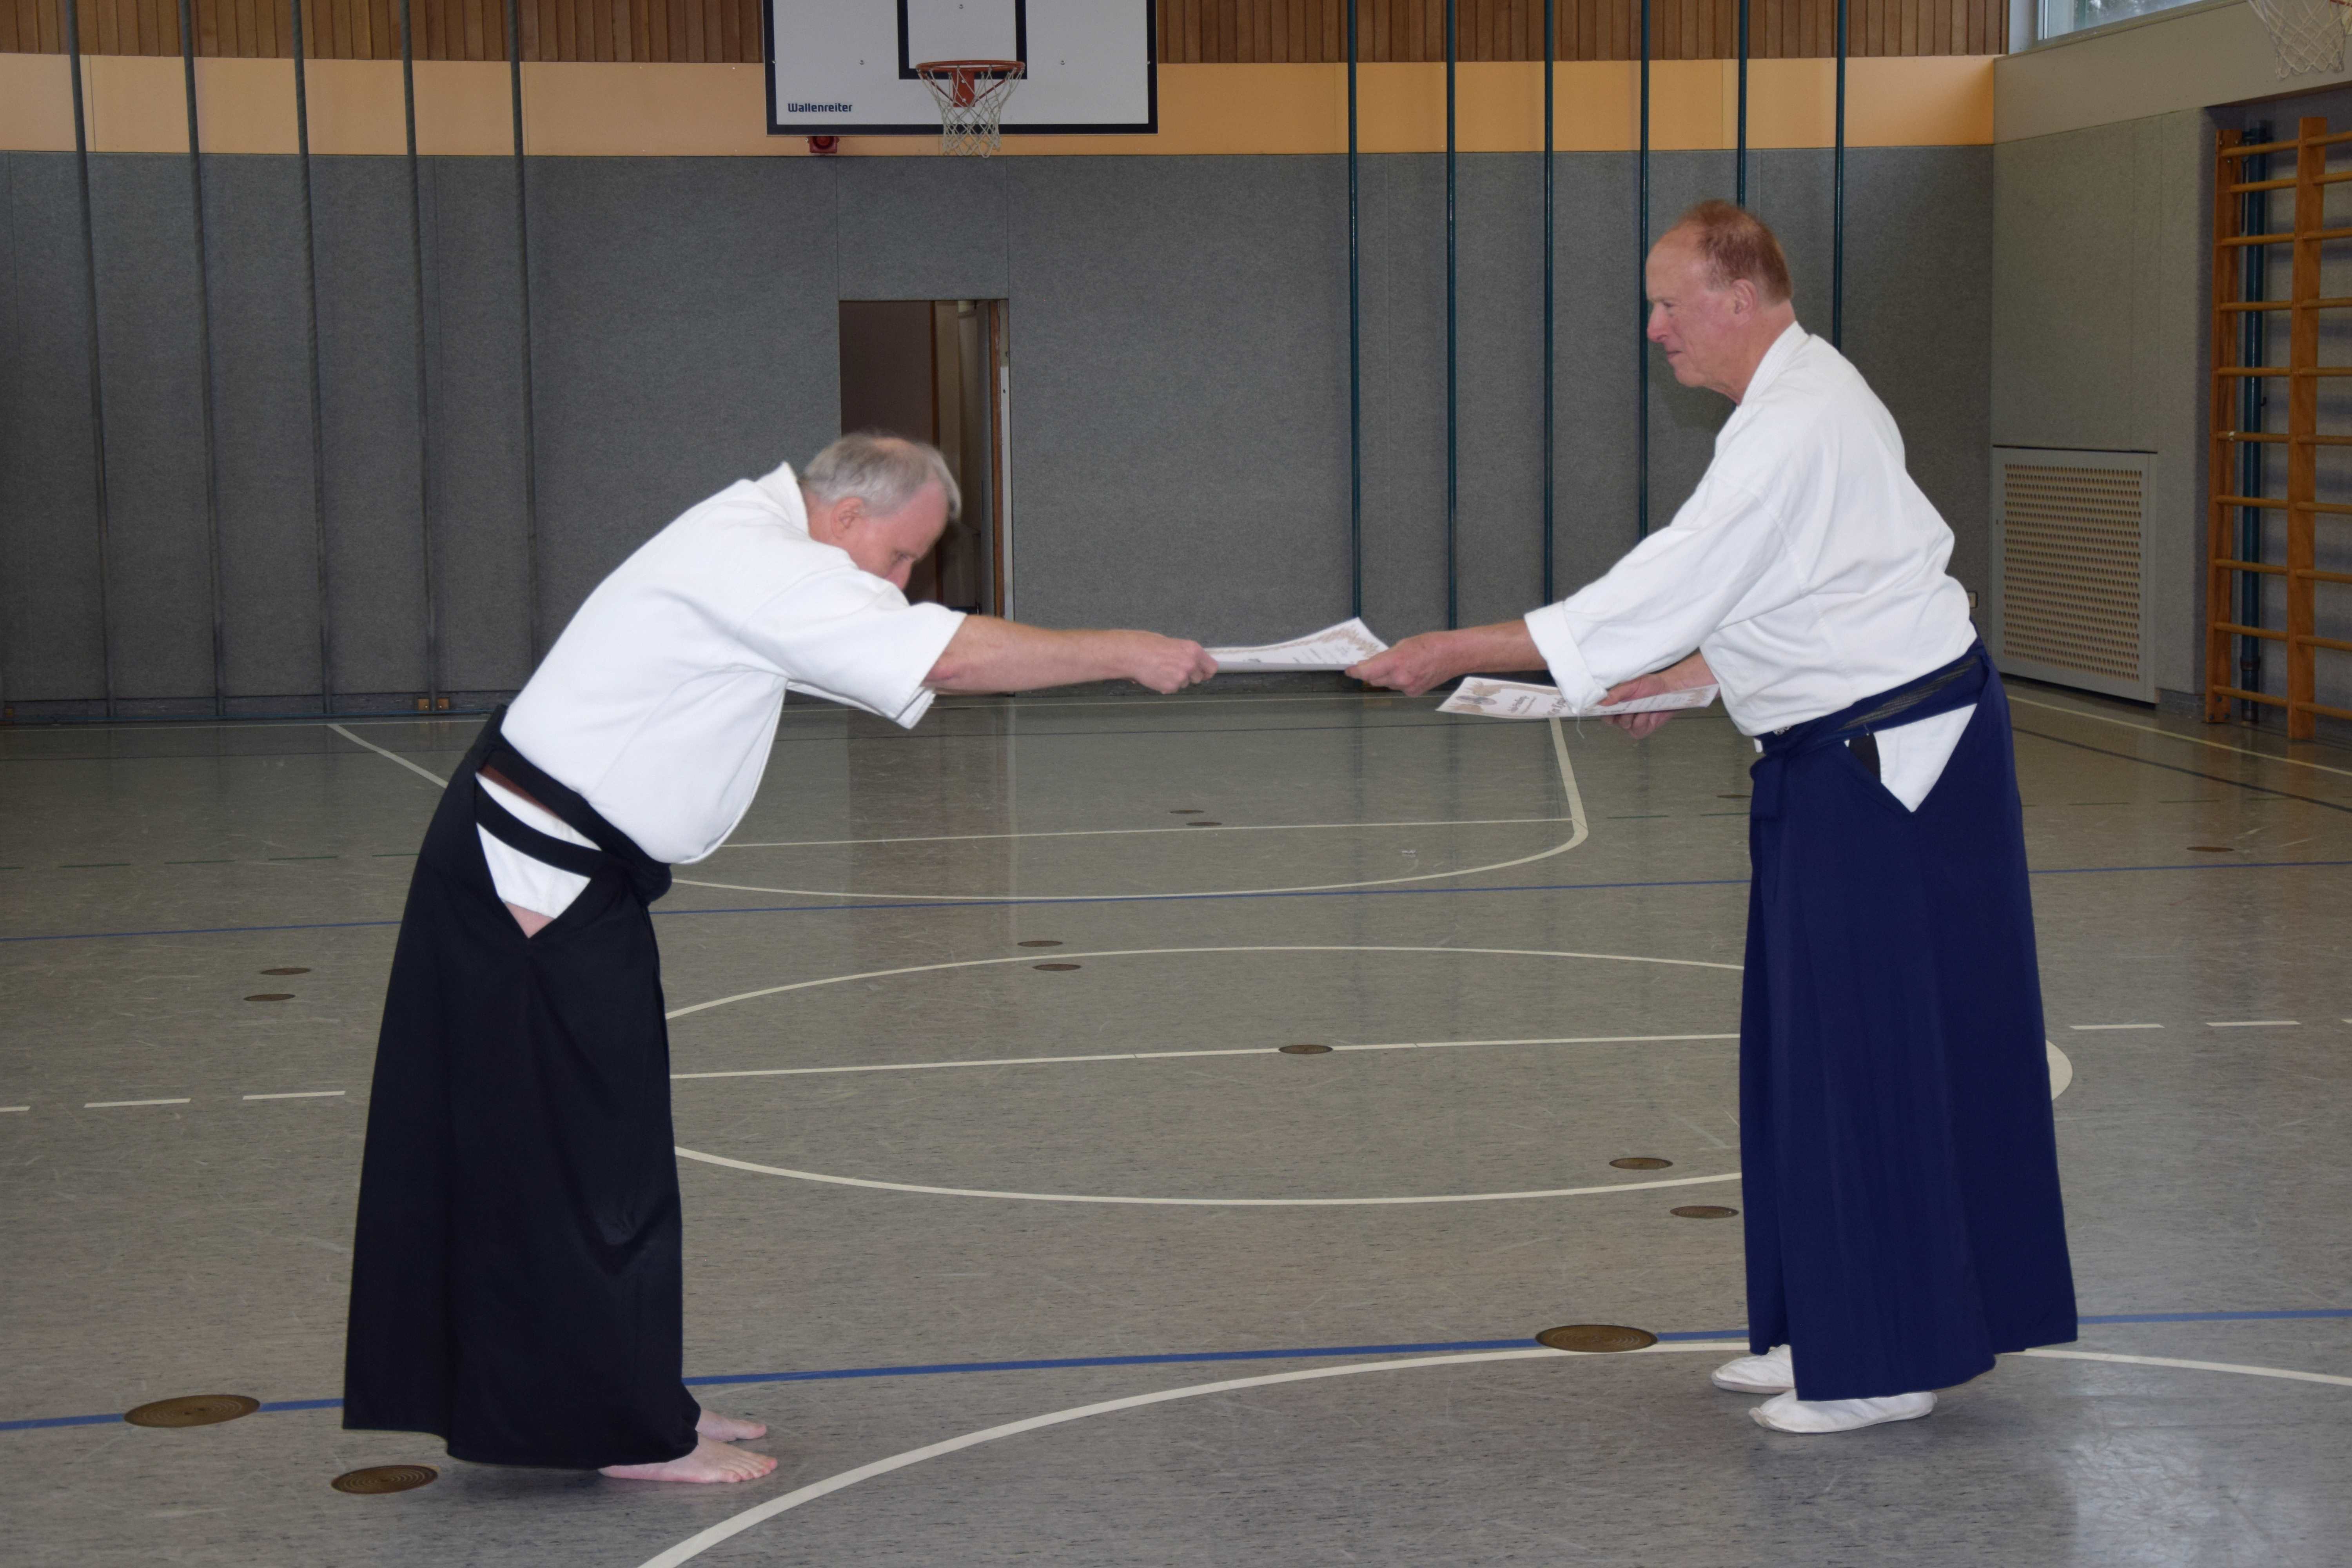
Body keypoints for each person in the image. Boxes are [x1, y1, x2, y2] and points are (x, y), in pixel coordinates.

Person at [344, 433, 1217, 1483]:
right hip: (534, 886)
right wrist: (1124, 648)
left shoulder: (756, 544)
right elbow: (940, 656)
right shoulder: (761, 561)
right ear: (847, 515)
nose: (899, 584)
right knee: (579, 1169)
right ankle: (625, 1431)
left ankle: (630, 1395)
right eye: (899, 559)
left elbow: (882, 659)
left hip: (564, 876)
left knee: (602, 1158)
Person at [1350, 201, 2075, 1435]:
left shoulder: (1797, 422)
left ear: (1742, 293)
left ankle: (1891, 1359)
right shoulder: (1792, 411)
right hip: (1839, 756)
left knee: (1872, 1063)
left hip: (1893, 774)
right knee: (1808, 1060)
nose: (1655, 328)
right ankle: (1832, 1330)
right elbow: (1806, 597)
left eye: (1671, 303)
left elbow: (1675, 578)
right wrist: (1695, 681)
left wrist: (1456, 648)